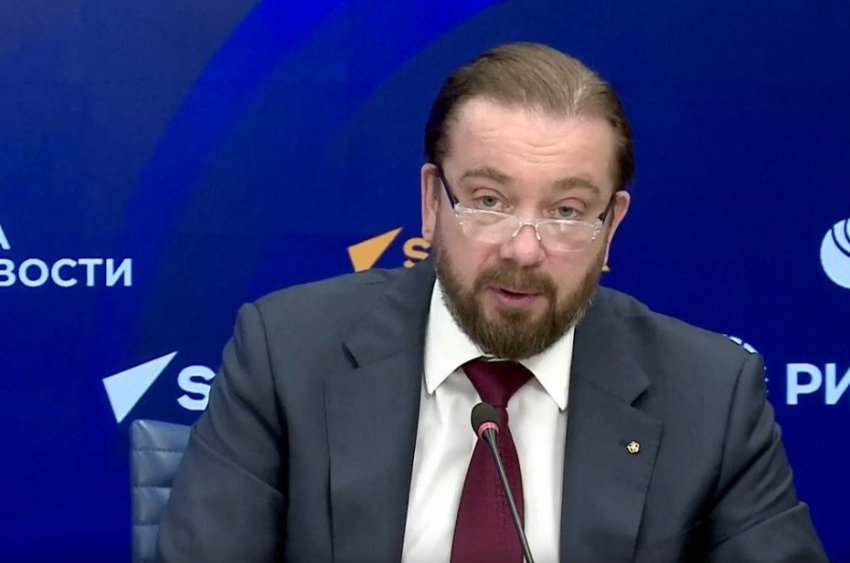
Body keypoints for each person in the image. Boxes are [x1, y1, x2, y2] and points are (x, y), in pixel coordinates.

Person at [157, 42, 827, 562]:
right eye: (488, 200)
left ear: (611, 225)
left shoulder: (709, 396)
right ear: (431, 202)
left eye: (567, 211)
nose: (524, 249)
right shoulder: (287, 353)